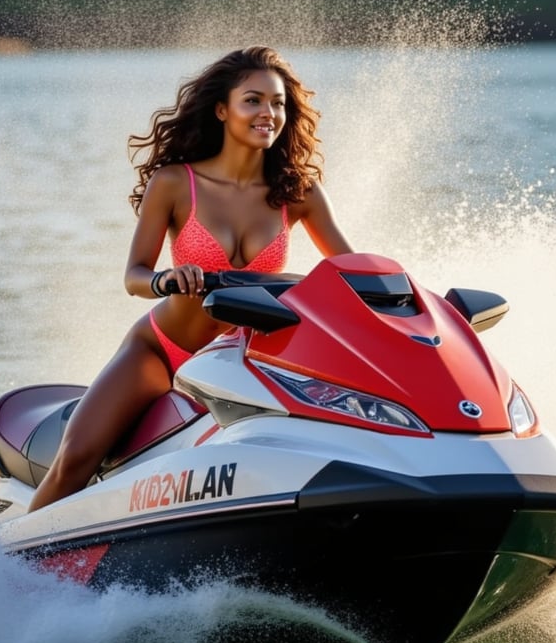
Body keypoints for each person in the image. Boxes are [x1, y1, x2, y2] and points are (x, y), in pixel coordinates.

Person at [28, 46, 353, 512]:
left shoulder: (298, 191)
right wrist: (166, 279)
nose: (269, 113)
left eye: (278, 103)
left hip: (247, 362)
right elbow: (134, 276)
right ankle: (8, 574)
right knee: (77, 458)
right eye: (253, 100)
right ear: (222, 110)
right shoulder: (176, 182)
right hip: (163, 350)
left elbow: (348, 270)